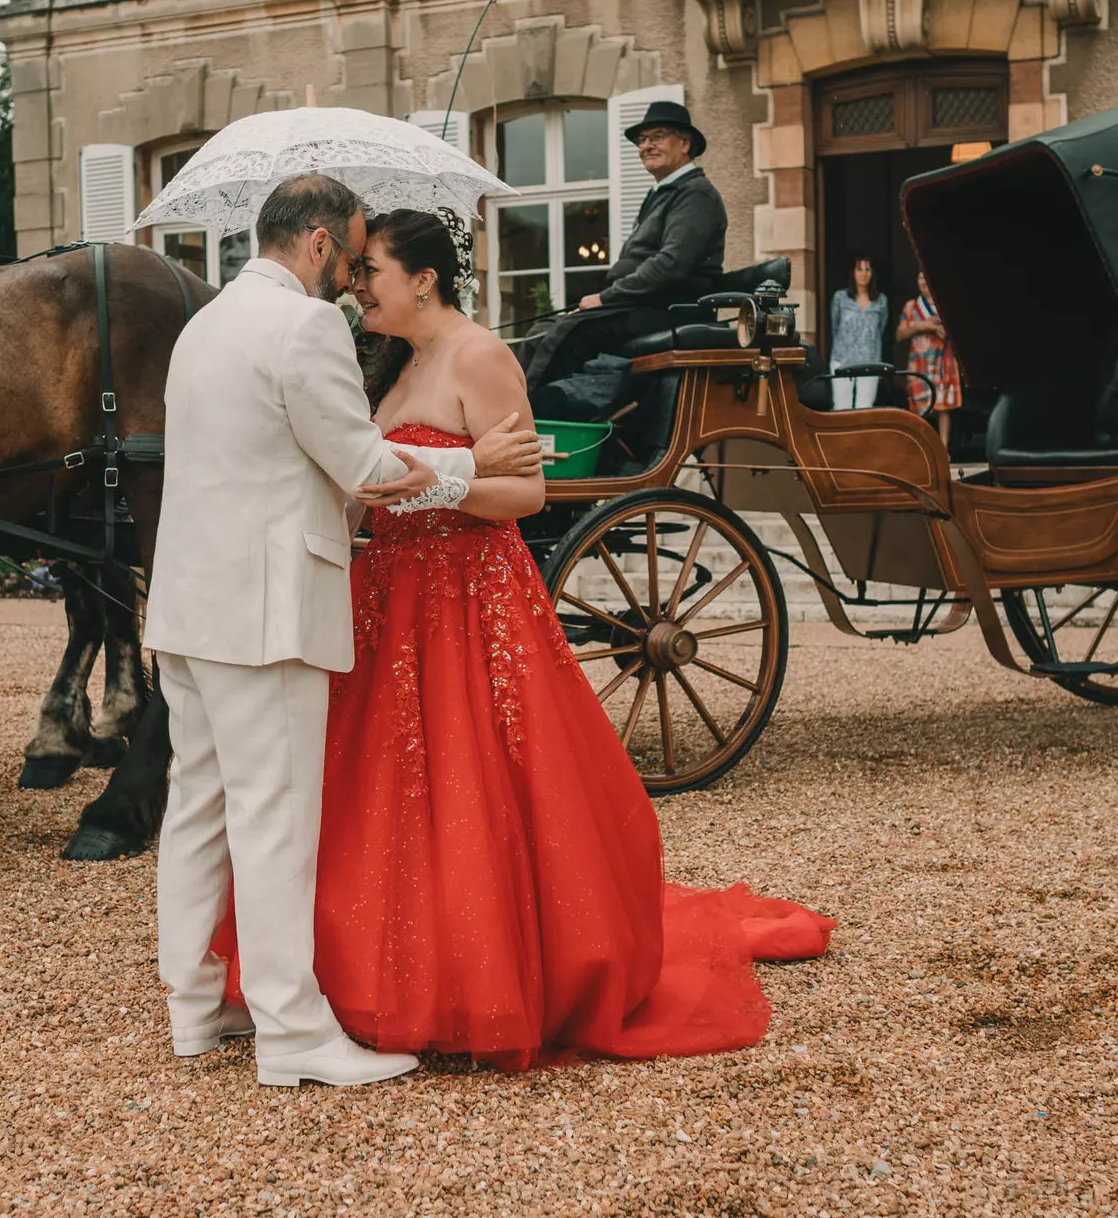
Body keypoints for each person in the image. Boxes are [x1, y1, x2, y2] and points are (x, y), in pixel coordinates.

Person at [214, 208, 834, 1069]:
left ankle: (469, 975)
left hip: (467, 597)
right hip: (385, 596)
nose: (357, 288)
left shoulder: (479, 355)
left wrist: (434, 488)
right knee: (373, 785)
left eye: (373, 274)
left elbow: (527, 498)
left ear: (424, 278)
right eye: (356, 274)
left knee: (472, 780)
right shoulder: (393, 365)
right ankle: (348, 972)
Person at [143, 174, 546, 1089]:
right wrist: (469, 465)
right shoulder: (305, 326)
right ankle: (292, 1034)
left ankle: (196, 1010)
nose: (354, 284)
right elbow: (363, 467)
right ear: (320, 244)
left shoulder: (205, 322)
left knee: (199, 807)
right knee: (275, 819)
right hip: (266, 613)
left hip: (188, 609)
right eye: (351, 255)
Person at [523, 101, 727, 389]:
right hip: (640, 304)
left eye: (656, 136)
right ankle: (516, 409)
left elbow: (671, 265)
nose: (646, 146)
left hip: (668, 308)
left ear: (684, 143)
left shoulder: (696, 195)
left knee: (570, 331)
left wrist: (606, 298)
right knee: (542, 330)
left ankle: (538, 419)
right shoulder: (662, 193)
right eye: (641, 140)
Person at [897, 270, 961, 444]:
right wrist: (921, 326)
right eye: (920, 277)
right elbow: (899, 335)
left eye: (927, 277)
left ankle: (943, 449)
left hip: (942, 361)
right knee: (919, 409)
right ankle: (923, 449)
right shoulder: (911, 306)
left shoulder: (945, 304)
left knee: (943, 408)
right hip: (919, 363)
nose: (924, 281)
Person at [826, 256, 888, 411]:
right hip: (842, 360)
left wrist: (879, 364)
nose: (863, 273)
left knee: (865, 409)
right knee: (841, 408)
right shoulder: (840, 298)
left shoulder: (880, 301)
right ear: (853, 272)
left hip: (870, 362)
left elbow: (880, 333)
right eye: (859, 269)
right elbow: (834, 328)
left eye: (868, 269)